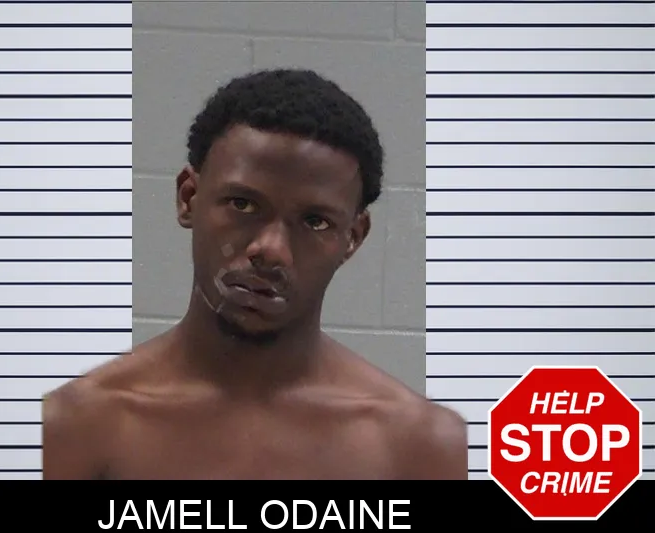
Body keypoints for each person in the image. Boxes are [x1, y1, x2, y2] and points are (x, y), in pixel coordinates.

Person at [42, 69, 468, 480]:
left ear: (352, 237)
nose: (271, 250)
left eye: (315, 221)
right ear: (189, 197)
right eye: (242, 204)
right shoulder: (79, 428)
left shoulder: (419, 447)